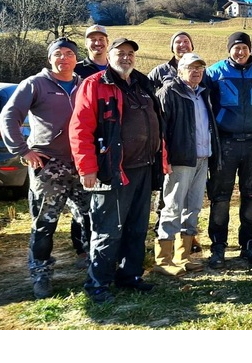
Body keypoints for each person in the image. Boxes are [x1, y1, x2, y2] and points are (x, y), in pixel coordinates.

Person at [69, 37, 166, 304]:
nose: (126, 57)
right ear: (109, 56)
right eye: (120, 53)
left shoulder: (142, 84)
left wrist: (162, 157)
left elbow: (158, 123)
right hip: (112, 170)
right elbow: (79, 130)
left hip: (144, 169)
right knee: (108, 228)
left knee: (136, 227)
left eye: (130, 53)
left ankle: (130, 276)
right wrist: (86, 168)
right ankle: (97, 283)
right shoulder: (94, 85)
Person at [0, 37, 88, 299]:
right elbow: (8, 116)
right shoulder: (35, 84)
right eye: (58, 54)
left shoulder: (83, 85)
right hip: (49, 165)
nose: (64, 58)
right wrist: (23, 150)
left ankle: (95, 268)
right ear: (50, 58)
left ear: (76, 58)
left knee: (89, 218)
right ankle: (41, 274)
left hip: (81, 164)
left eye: (69, 54)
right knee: (45, 223)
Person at [205, 32, 252, 268]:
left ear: (250, 49)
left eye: (244, 47)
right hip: (226, 143)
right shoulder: (214, 73)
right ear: (229, 50)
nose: (240, 52)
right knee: (221, 197)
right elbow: (207, 104)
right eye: (236, 48)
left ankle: (249, 246)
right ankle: (218, 247)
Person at [154, 52, 219, 276]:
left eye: (200, 67)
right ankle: (163, 259)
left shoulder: (203, 93)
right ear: (179, 70)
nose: (196, 71)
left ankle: (183, 256)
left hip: (202, 158)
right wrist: (164, 160)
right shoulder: (168, 93)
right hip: (179, 160)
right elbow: (159, 130)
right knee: (172, 208)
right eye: (191, 67)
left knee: (192, 209)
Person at [70, 24, 110, 267]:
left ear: (108, 42)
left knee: (106, 202)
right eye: (92, 39)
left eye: (101, 39)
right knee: (82, 202)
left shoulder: (117, 68)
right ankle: (83, 249)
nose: (97, 43)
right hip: (87, 143)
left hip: (112, 146)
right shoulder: (78, 71)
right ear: (86, 44)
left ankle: (106, 245)